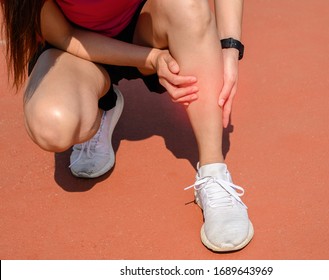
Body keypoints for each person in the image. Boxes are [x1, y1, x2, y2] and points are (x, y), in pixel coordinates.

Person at [1, 0, 253, 252]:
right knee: (51, 127)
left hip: (146, 24)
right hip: (76, 49)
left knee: (188, 5)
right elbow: (65, 36)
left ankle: (213, 171)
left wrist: (229, 47)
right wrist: (152, 59)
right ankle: (102, 102)